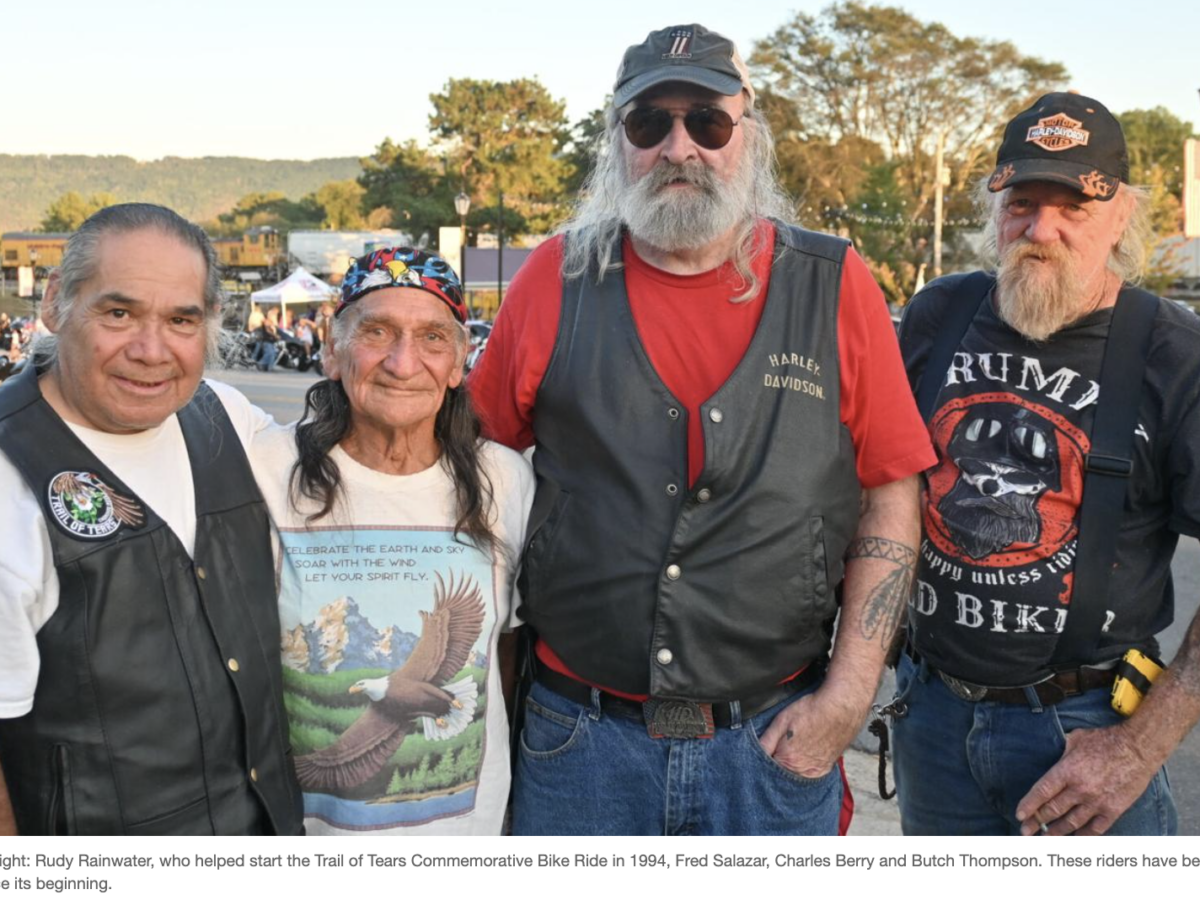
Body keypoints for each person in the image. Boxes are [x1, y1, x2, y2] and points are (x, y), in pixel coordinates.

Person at [469, 23, 934, 836]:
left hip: (771, 741)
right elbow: (468, 469)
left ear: (746, 137)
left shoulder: (834, 283)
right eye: (649, 123)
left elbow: (892, 491)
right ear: (618, 142)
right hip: (579, 744)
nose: (679, 146)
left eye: (707, 123)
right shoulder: (555, 275)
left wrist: (848, 698)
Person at [894, 93, 1200, 836]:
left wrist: (1138, 748)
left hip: (1086, 731)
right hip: (930, 717)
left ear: (1121, 215)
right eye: (1023, 203)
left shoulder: (1173, 352)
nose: (1042, 230)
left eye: (1074, 208)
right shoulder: (939, 315)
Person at [0, 203, 303, 835]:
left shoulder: (226, 416)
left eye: (180, 320)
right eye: (119, 313)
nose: (150, 349)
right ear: (55, 303)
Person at [249, 248, 534, 835]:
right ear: (332, 349)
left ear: (459, 364)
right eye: (376, 332)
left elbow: (505, 653)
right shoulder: (265, 467)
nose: (403, 363)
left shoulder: (505, 479)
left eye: (432, 338)